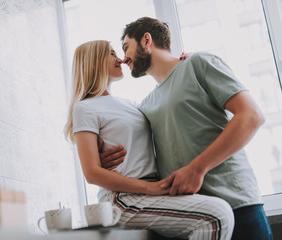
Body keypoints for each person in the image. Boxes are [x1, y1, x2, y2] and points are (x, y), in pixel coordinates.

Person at [100, 17, 273, 240]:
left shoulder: (197, 63)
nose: (124, 58)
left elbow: (251, 116)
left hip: (235, 203)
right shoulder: (145, 105)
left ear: (146, 40)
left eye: (126, 47)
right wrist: (106, 160)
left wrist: (196, 169)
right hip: (189, 218)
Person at [65, 40, 234, 240]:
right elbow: (92, 173)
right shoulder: (85, 108)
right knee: (216, 215)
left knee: (218, 211)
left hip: (150, 193)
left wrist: (185, 68)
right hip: (122, 199)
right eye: (111, 53)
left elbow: (163, 102)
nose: (120, 58)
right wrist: (150, 188)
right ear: (94, 60)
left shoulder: (132, 105)